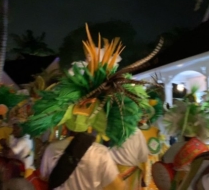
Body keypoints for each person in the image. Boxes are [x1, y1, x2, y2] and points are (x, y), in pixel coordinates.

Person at [22, 23, 162, 190]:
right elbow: (118, 188)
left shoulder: (51, 150)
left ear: (67, 121)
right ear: (94, 123)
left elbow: (44, 179)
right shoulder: (100, 153)